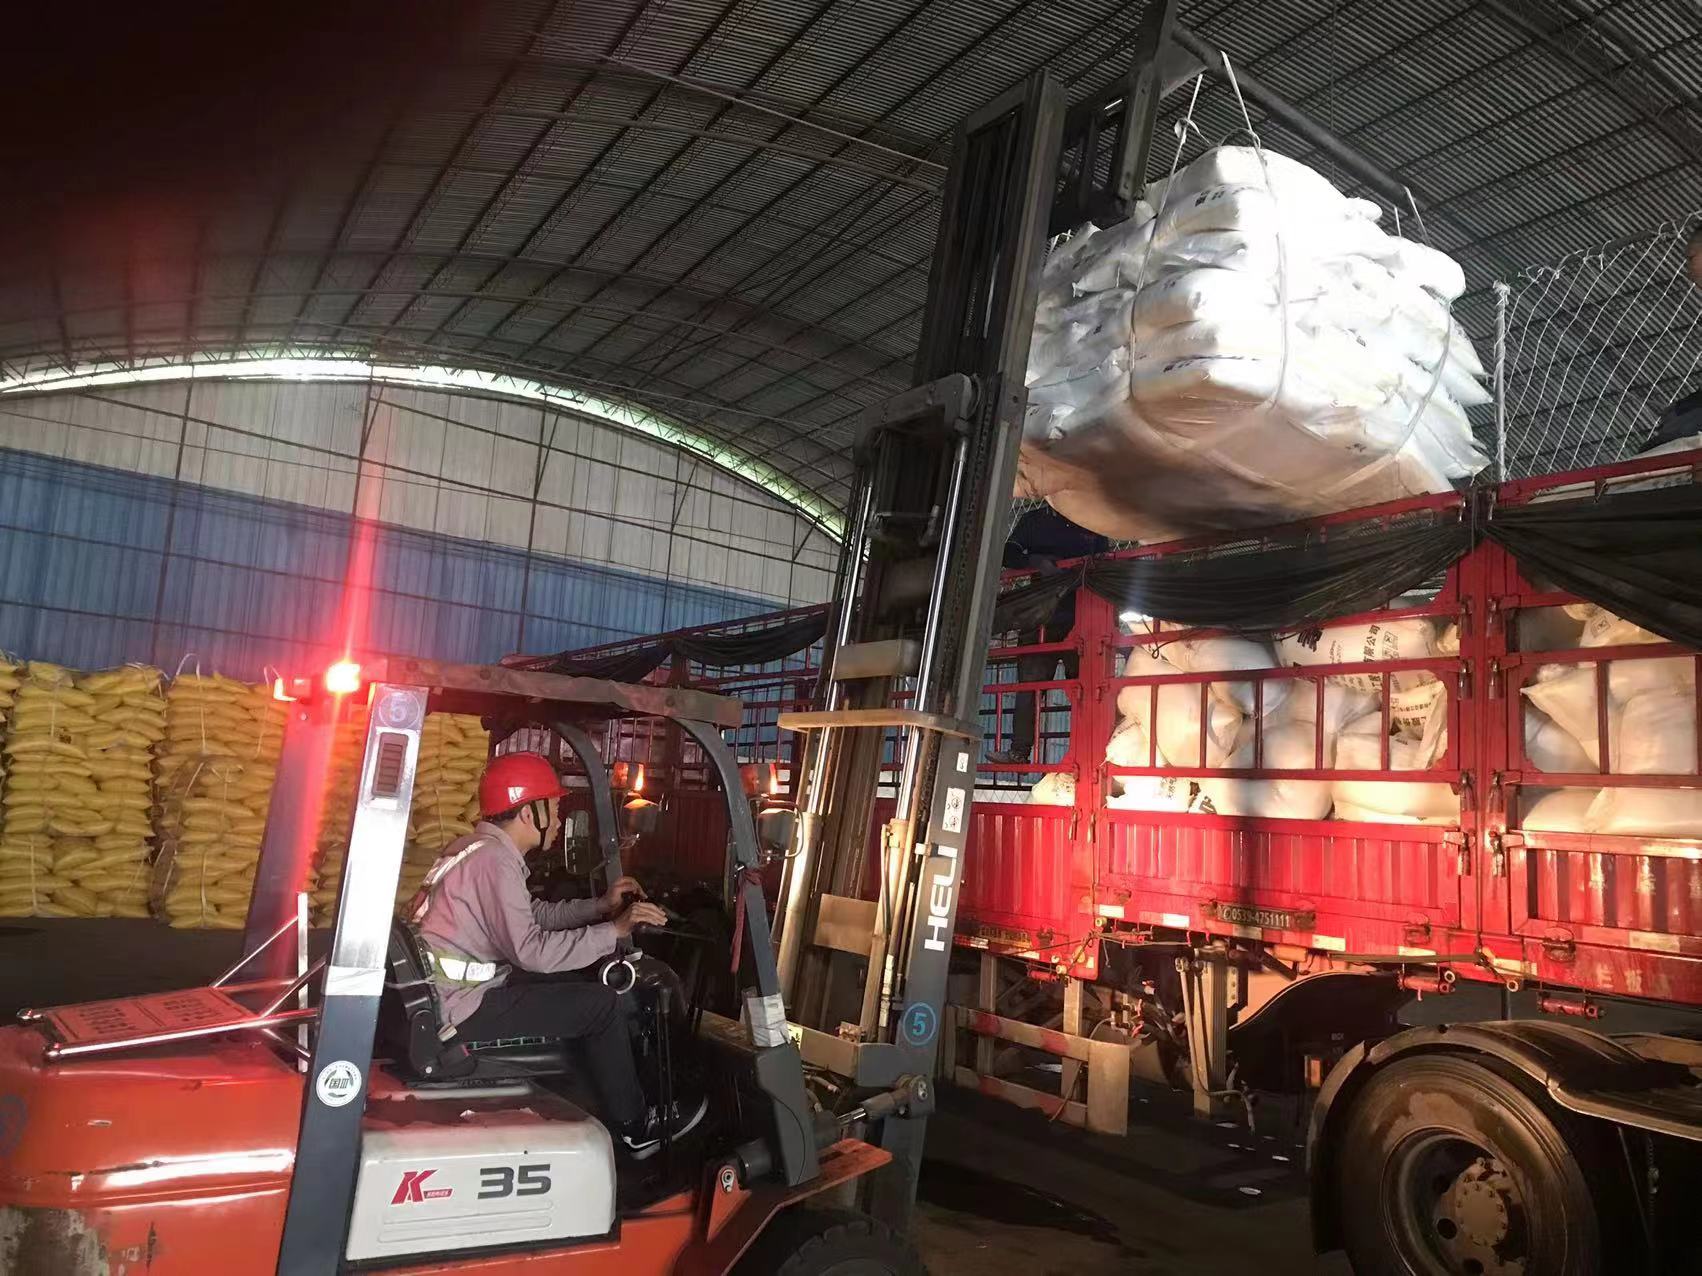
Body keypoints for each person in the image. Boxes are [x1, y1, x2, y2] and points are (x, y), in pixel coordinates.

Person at [412, 750, 704, 1159]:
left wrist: (600, 907)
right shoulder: (494, 862)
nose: (560, 818)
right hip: (460, 1009)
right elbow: (532, 951)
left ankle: (598, 1099)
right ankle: (636, 1125)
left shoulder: (474, 849)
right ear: (528, 813)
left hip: (449, 997)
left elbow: (532, 915)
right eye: (552, 807)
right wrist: (615, 930)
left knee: (576, 984)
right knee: (601, 1005)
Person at [985, 505, 1109, 765]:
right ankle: (1019, 752)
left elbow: (1105, 558)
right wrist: (1035, 561)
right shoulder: (1035, 520)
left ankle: (1093, 752)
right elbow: (1009, 552)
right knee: (1029, 686)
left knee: (1086, 687)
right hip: (1041, 616)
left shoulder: (1090, 517)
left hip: (1082, 617)